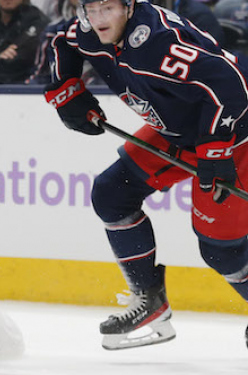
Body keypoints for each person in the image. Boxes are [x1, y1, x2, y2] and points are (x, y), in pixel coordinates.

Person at [43, 0, 248, 349]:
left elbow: (229, 84)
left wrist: (215, 147)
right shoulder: (90, 31)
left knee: (222, 252)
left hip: (234, 137)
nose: (98, 19)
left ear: (128, 6)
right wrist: (66, 90)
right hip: (178, 132)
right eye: (90, 10)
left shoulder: (158, 44)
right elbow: (61, 41)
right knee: (111, 194)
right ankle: (149, 299)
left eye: (107, 8)